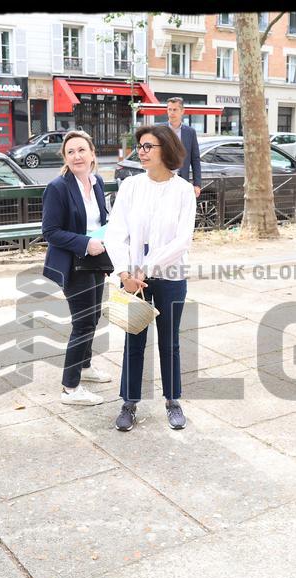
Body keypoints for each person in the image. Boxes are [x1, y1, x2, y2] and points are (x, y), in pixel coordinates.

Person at [105, 125, 196, 431]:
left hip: (170, 275)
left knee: (170, 342)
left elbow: (183, 239)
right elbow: (115, 232)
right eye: (140, 146)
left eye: (147, 146)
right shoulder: (131, 186)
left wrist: (148, 266)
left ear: (166, 150)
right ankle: (129, 403)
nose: (141, 152)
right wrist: (124, 272)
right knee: (134, 340)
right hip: (131, 278)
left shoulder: (183, 190)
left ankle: (173, 401)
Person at [41, 130, 112, 406]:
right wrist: (86, 243)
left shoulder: (96, 182)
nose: (77, 156)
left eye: (82, 150)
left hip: (96, 260)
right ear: (65, 158)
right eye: (70, 152)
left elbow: (99, 219)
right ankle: (70, 389)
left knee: (93, 319)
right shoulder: (58, 187)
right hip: (74, 263)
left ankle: (85, 367)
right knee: (82, 323)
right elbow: (50, 232)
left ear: (92, 154)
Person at [159, 97, 202, 198]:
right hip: (162, 180)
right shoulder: (159, 130)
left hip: (182, 180)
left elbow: (195, 159)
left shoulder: (190, 132)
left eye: (175, 110)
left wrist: (197, 184)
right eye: (169, 109)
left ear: (182, 111)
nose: (171, 113)